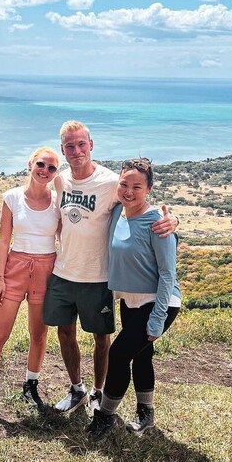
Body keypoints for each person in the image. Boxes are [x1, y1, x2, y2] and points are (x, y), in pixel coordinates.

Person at [43, 122, 177, 415]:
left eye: (81, 144)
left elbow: (142, 204)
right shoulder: (60, 181)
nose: (76, 151)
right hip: (64, 271)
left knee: (102, 340)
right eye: (69, 146)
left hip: (98, 277)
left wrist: (173, 220)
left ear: (91, 144)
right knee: (65, 334)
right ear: (63, 149)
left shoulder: (108, 183)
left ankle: (98, 393)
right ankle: (76, 389)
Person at [0, 147, 62, 428]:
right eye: (40, 164)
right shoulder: (12, 197)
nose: (45, 170)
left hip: (46, 269)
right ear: (30, 164)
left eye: (52, 168)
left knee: (39, 334)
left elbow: (66, 237)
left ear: (56, 173)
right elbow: (3, 242)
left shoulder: (58, 202)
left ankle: (30, 386)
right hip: (15, 268)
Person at [87, 157, 181, 441]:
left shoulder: (157, 223)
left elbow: (167, 275)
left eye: (137, 186)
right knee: (141, 357)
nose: (129, 191)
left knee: (117, 355)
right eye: (124, 184)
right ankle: (145, 412)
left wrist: (156, 320)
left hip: (158, 303)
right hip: (130, 301)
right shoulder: (118, 213)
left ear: (149, 189)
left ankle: (105, 417)